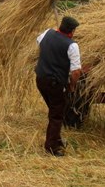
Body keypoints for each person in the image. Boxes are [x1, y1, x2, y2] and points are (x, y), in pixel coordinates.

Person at [35, 16, 82, 157]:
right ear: (72, 31)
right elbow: (76, 71)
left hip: (40, 79)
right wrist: (72, 86)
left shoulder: (46, 33)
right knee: (57, 115)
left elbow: (39, 43)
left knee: (55, 109)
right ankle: (51, 147)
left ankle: (56, 139)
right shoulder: (72, 45)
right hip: (55, 83)